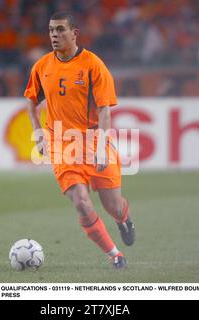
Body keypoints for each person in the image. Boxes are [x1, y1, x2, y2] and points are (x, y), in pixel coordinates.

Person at [24, 11, 134, 269]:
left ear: (74, 34)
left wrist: (102, 146)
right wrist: (39, 134)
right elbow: (31, 102)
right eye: (51, 30)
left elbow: (105, 109)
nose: (54, 35)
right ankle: (115, 255)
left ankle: (124, 219)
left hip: (94, 139)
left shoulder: (93, 65)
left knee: (113, 206)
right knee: (82, 203)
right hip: (62, 144)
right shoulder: (42, 67)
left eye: (60, 30)